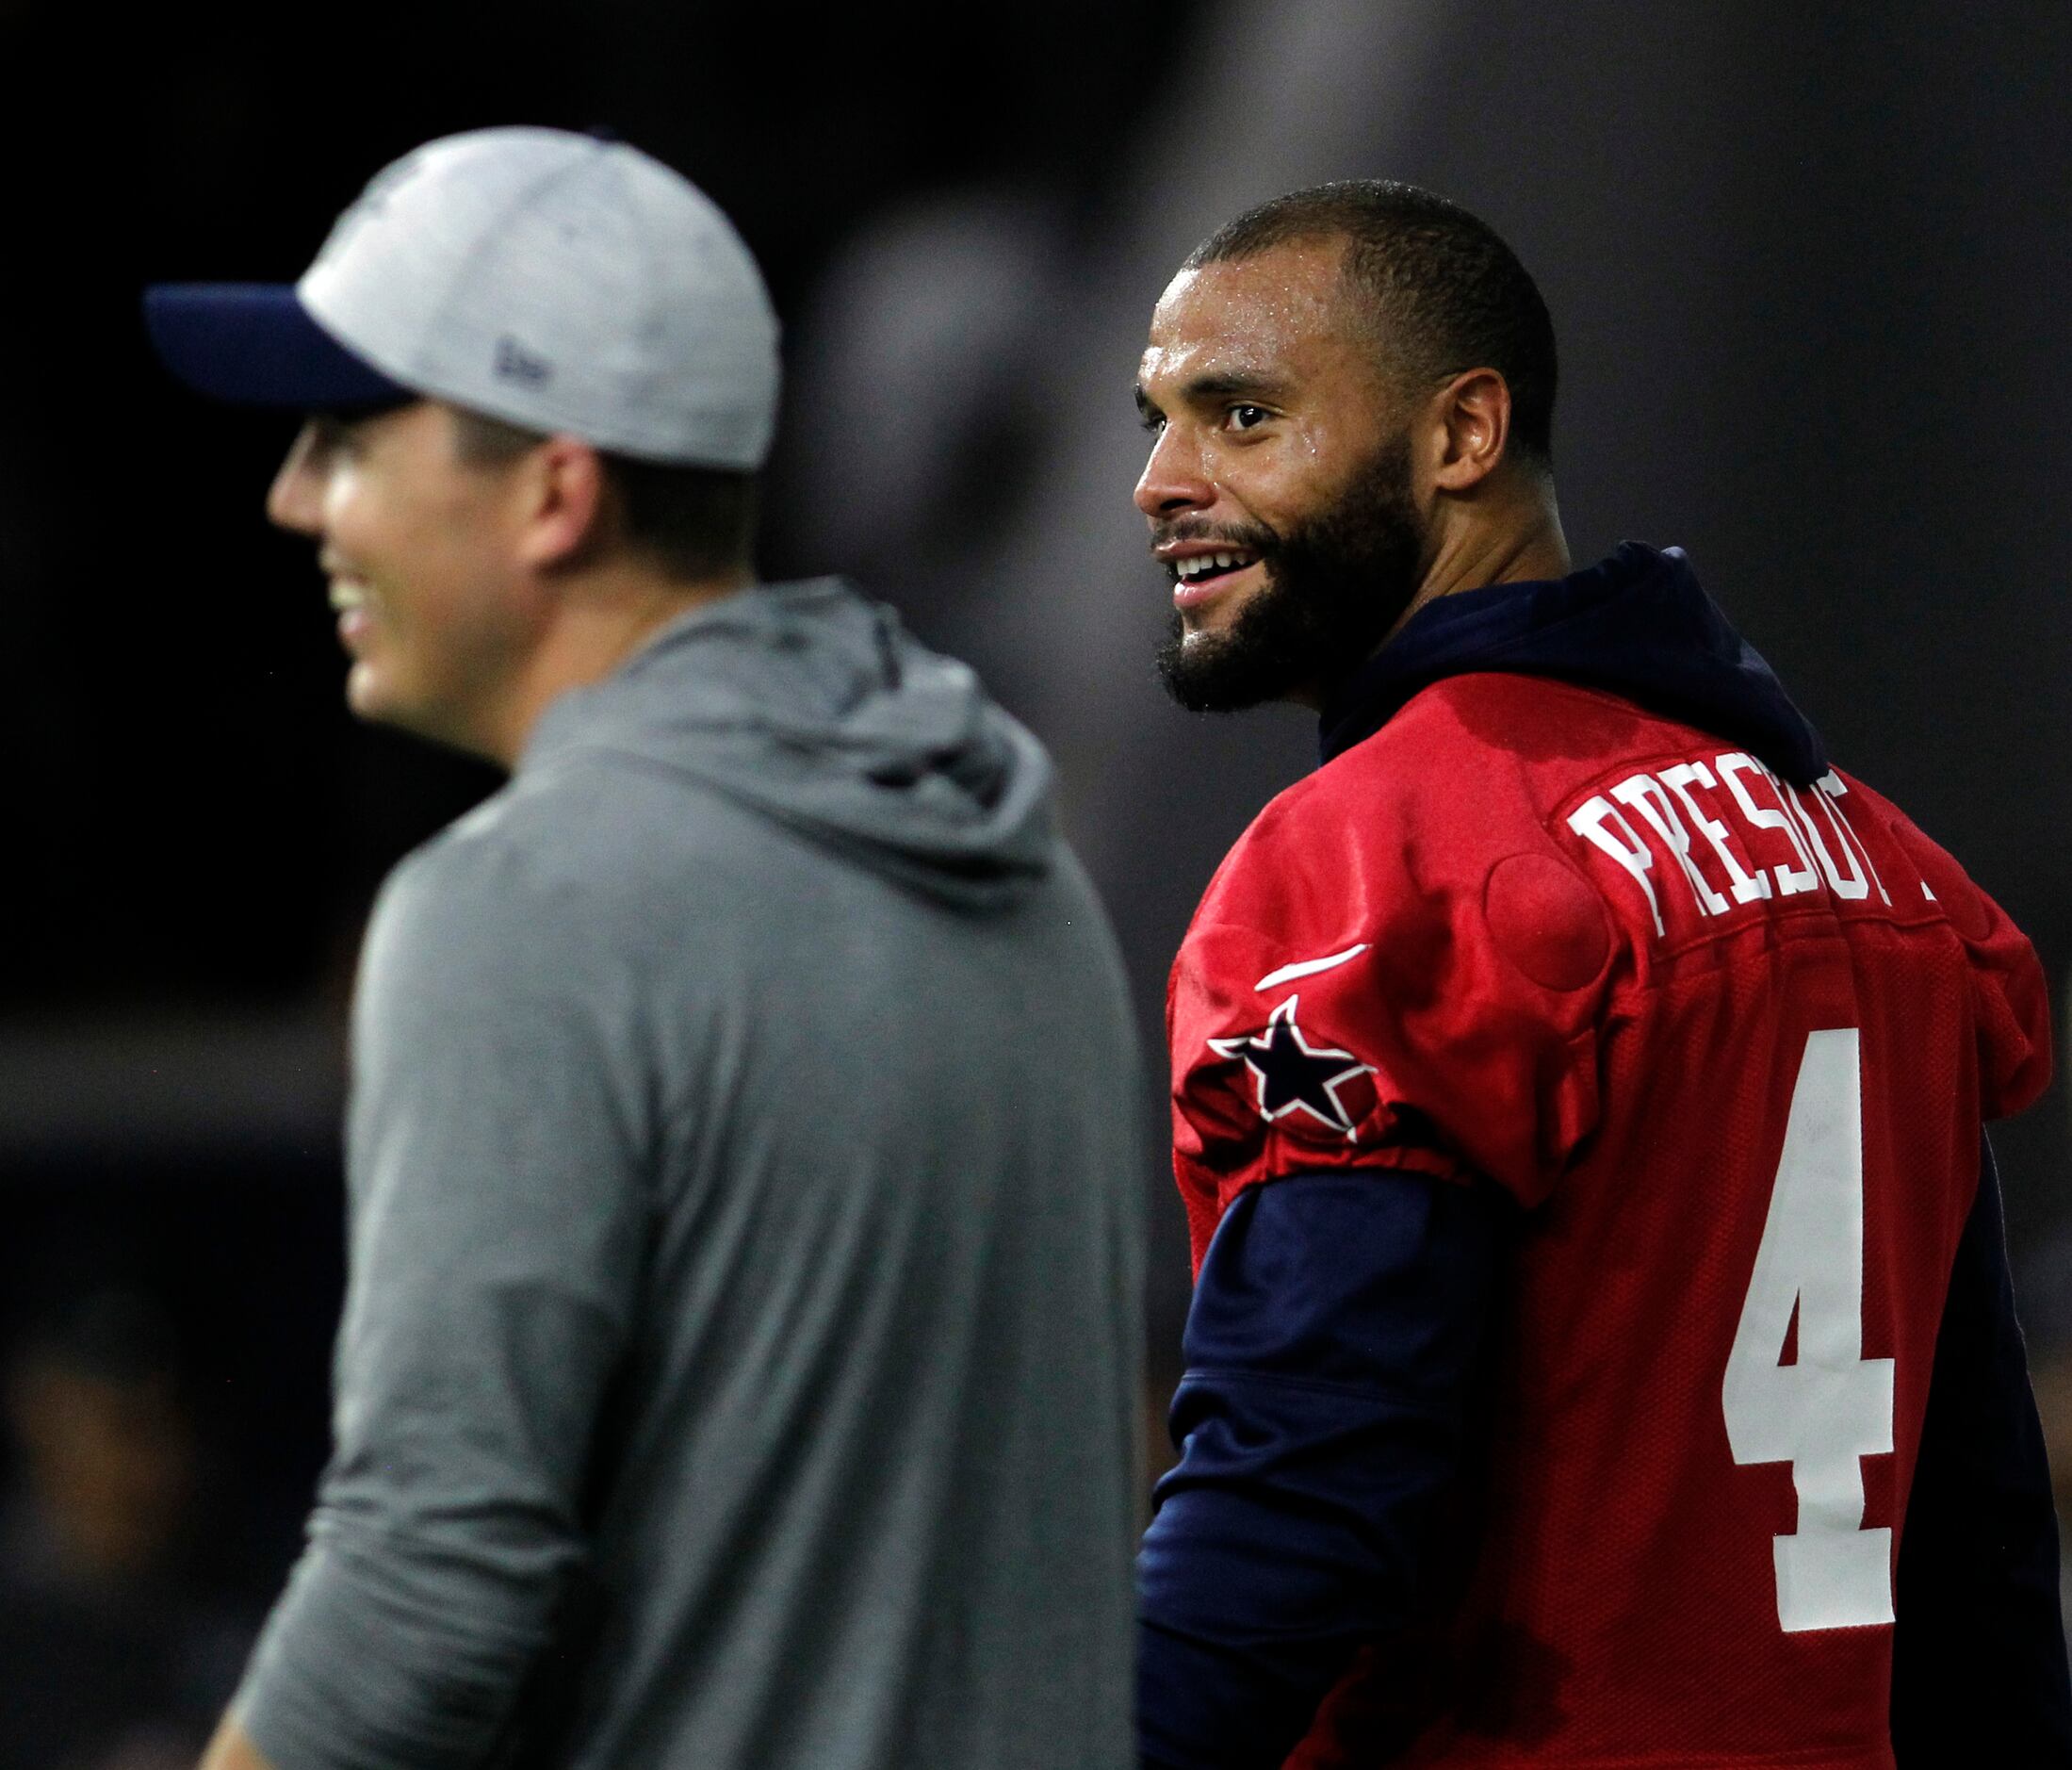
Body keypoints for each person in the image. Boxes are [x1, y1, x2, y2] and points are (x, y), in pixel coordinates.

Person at [143, 126, 1143, 1770]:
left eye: (350, 434)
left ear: (555, 490)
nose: (295, 494)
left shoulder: (521, 906)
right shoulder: (1016, 861)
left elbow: (421, 1595)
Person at [1128, 180, 2069, 1767]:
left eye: (1241, 414)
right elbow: (1976, 1552)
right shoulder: (1888, 872)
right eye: (1156, 420)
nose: (1161, 481)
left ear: (1463, 434)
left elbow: (1300, 1499)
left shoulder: (1385, 857)